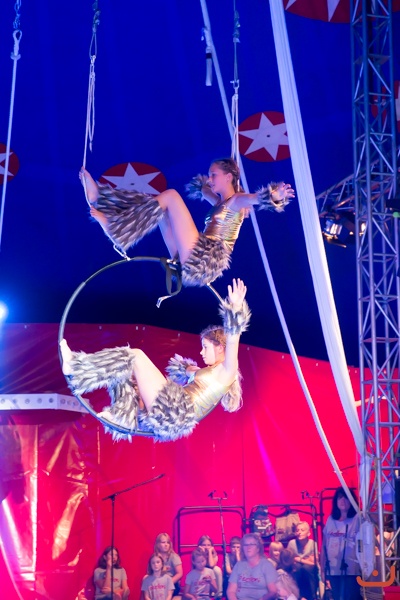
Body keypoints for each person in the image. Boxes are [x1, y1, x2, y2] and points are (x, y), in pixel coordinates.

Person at [60, 278, 250, 442]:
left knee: (135, 355)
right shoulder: (207, 374)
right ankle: (121, 416)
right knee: (126, 372)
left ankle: (77, 370)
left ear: (220, 347)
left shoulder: (227, 372)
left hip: (175, 410)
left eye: (205, 347)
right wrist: (184, 367)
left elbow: (233, 339)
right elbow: (189, 371)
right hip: (172, 414)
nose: (201, 352)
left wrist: (235, 309)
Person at [80, 159, 294, 287]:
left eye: (214, 175)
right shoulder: (219, 202)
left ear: (228, 177)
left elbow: (256, 198)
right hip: (191, 259)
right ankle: (102, 199)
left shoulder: (237, 201)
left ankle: (117, 230)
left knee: (171, 196)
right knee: (157, 206)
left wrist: (275, 195)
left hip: (204, 256)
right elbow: (202, 189)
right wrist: (203, 185)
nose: (210, 179)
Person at [320, 487, 361, 600]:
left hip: (352, 571)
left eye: (346, 497)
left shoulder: (357, 518)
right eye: (339, 498)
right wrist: (322, 570)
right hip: (333, 570)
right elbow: (324, 546)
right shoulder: (330, 519)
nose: (342, 500)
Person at [227, 532, 278, 600]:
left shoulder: (267, 565)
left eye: (252, 544)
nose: (248, 547)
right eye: (245, 545)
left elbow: (273, 591)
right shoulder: (238, 565)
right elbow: (231, 591)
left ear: (258, 548)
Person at [287, 522, 319, 600]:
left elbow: (314, 562)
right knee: (298, 567)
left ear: (308, 533)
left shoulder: (313, 544)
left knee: (307, 568)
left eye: (302, 530)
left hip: (309, 569)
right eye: (297, 530)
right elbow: (289, 558)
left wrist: (299, 559)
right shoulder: (292, 543)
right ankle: (299, 596)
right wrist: (306, 560)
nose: (299, 532)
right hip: (297, 568)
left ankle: (313, 596)